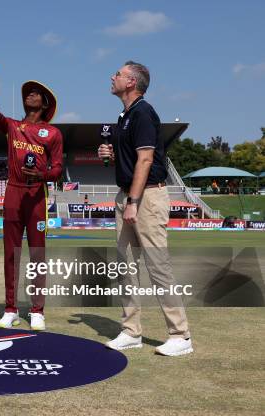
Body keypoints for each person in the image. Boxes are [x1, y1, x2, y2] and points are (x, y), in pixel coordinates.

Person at [98, 61, 193, 356]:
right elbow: (127, 160)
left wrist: (134, 202)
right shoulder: (124, 115)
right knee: (125, 267)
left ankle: (181, 335)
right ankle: (131, 331)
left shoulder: (142, 113)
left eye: (118, 74)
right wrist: (107, 154)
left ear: (131, 83)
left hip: (147, 198)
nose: (112, 76)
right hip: (128, 194)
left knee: (158, 266)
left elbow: (146, 160)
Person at [0, 59, 63, 331]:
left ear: (45, 103)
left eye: (36, 93)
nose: (30, 95)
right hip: (13, 193)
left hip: (37, 196)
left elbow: (58, 168)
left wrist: (42, 176)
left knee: (37, 253)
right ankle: (11, 308)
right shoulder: (13, 126)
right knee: (10, 254)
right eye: (27, 92)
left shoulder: (53, 133)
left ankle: (37, 310)